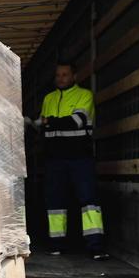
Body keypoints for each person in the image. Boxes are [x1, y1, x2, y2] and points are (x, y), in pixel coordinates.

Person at [37, 62, 109, 260]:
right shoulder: (48, 98)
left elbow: (77, 121)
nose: (60, 78)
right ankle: (56, 245)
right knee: (55, 203)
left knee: (89, 201)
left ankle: (96, 247)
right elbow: (42, 127)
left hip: (80, 158)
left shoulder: (84, 95)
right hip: (54, 160)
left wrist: (48, 121)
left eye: (65, 74)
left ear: (74, 76)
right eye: (58, 75)